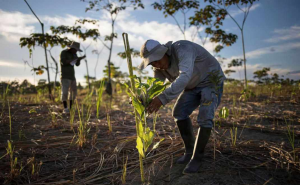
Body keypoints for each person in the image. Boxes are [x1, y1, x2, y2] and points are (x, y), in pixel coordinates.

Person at [139, 39, 225, 174]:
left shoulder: (183, 49)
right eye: (152, 63)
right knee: (179, 113)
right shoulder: (159, 68)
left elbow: (184, 76)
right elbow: (155, 85)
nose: (156, 64)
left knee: (205, 117)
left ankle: (197, 158)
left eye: (157, 60)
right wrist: (142, 98)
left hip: (211, 81)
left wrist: (162, 99)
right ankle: (190, 151)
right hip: (192, 86)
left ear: (164, 52)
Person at [60, 41, 85, 113]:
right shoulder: (64, 52)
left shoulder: (75, 55)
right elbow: (63, 62)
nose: (76, 51)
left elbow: (77, 64)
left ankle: (71, 108)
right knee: (65, 92)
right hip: (65, 76)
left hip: (72, 76)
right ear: (72, 48)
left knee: (73, 92)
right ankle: (65, 108)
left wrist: (79, 59)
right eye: (75, 49)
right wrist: (72, 60)